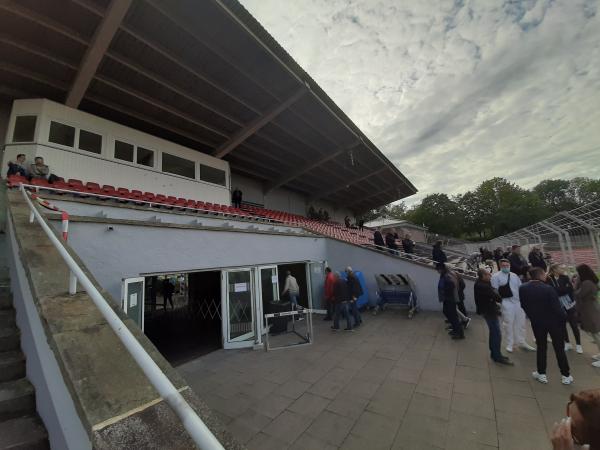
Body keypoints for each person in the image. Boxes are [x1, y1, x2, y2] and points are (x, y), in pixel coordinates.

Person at [520, 267, 573, 385]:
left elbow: (524, 305)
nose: (546, 275)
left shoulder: (522, 288)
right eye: (544, 274)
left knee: (541, 347)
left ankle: (541, 373)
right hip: (554, 323)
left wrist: (533, 317)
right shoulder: (548, 289)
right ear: (540, 275)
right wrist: (564, 318)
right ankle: (565, 375)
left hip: (537, 323)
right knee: (559, 349)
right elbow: (557, 308)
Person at [491, 259, 536, 353]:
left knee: (521, 322)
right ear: (500, 266)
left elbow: (520, 288)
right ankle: (510, 343)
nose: (506, 267)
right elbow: (494, 290)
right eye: (503, 266)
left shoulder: (514, 275)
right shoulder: (496, 276)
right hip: (506, 302)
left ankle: (522, 341)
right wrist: (499, 302)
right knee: (508, 323)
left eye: (507, 265)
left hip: (518, 302)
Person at [474, 268, 513, 365]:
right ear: (483, 276)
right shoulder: (483, 286)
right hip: (489, 312)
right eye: (488, 274)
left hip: (488, 310)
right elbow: (497, 297)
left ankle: (494, 354)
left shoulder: (480, 282)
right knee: (496, 334)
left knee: (494, 333)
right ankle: (497, 356)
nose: (490, 276)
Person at [547, 264, 582, 354]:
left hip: (569, 304)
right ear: (554, 269)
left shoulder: (565, 277)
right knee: (562, 325)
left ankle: (579, 344)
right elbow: (551, 291)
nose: (562, 269)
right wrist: (562, 289)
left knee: (573, 324)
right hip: (557, 305)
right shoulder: (549, 278)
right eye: (560, 268)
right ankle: (567, 343)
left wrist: (559, 290)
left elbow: (569, 289)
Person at [573, 264, 600, 368]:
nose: (577, 275)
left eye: (578, 272)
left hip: (590, 311)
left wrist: (576, 283)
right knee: (595, 334)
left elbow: (577, 294)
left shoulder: (586, 283)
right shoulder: (590, 281)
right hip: (591, 309)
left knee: (596, 335)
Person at [436, 263, 464, 339]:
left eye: (438, 269)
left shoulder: (447, 276)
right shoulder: (444, 275)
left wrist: (445, 292)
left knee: (453, 315)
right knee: (446, 311)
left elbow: (452, 285)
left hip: (450, 299)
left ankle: (459, 333)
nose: (437, 271)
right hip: (447, 298)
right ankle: (455, 328)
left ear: (441, 269)